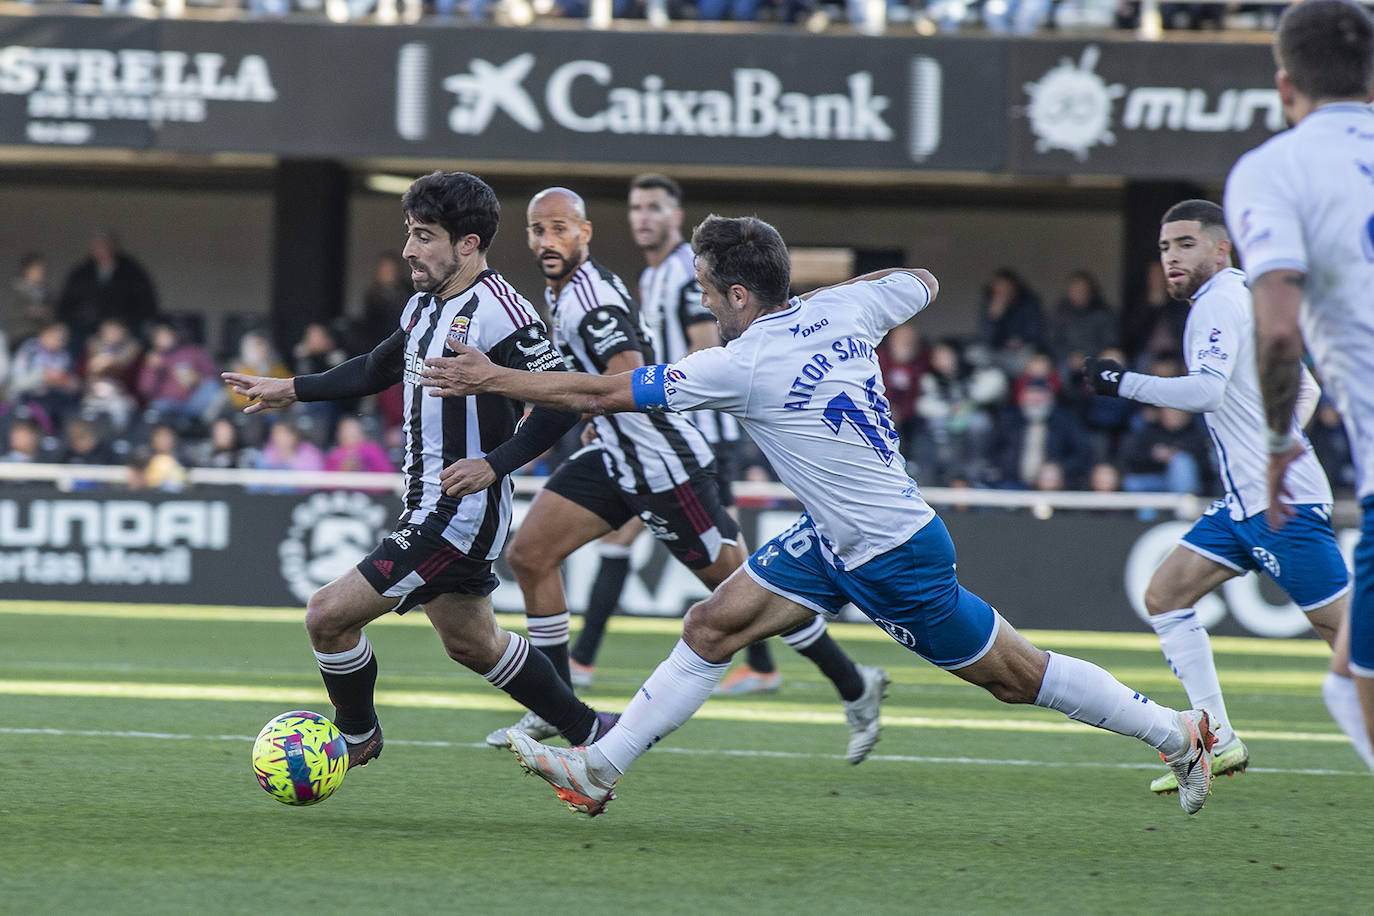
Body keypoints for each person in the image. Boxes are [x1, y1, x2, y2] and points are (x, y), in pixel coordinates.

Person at [422, 214, 1219, 817]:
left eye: (705, 291)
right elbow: (921, 281)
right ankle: (601, 769)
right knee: (712, 624)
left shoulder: (740, 361)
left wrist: (491, 378)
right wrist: (818, 306)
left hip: (891, 554)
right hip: (836, 539)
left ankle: (1180, 734)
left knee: (1016, 677)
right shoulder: (852, 312)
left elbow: (600, 392)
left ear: (738, 295)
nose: (702, 303)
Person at [480, 187, 888, 765]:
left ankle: (855, 684)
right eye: (538, 231)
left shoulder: (592, 302)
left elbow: (625, 378)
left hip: (666, 468)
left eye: (559, 229)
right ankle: (556, 704)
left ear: (585, 233)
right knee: (530, 555)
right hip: (617, 458)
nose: (548, 241)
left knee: (741, 600)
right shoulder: (569, 290)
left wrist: (565, 400)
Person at [222, 170, 613, 770]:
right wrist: (292, 389)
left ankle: (356, 737)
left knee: (327, 616)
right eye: (410, 233)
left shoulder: (503, 311)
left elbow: (564, 404)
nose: (409, 249)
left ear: (469, 244)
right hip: (428, 505)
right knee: (472, 643)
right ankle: (593, 728)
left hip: (457, 513)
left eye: (424, 235)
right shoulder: (423, 305)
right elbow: (377, 368)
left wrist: (494, 463)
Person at [1083, 198, 1368, 788]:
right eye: (1164, 248)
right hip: (1246, 503)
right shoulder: (1251, 300)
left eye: (1185, 244)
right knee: (1164, 595)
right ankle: (1218, 738)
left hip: (1277, 508)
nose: (1171, 258)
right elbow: (1306, 389)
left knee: (1345, 637)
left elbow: (1206, 393)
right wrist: (1275, 443)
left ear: (1221, 247)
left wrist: (1121, 383)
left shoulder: (1215, 305)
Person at [1225, 0, 1374, 768]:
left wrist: (1279, 442)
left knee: (1354, 689)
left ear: (1285, 86)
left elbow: (1279, 328)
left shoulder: (1274, 168)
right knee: (1343, 682)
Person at [56, 231, 159, 344]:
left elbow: (145, 300)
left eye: (104, 246)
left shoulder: (131, 270)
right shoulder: (82, 271)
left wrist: (123, 324)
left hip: (125, 325)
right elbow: (68, 301)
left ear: (113, 247)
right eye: (97, 247)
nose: (101, 250)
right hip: (88, 326)